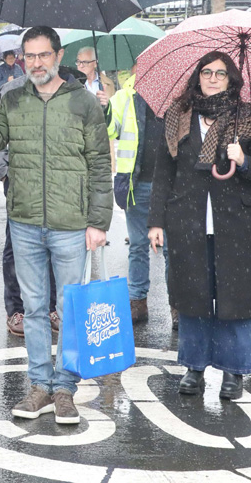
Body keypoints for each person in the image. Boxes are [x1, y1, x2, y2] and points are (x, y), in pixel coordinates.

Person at [0, 26, 112, 425]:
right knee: (33, 309)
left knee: (69, 310)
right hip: (26, 221)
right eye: (29, 56)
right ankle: (39, 386)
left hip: (72, 224)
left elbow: (101, 165)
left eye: (43, 55)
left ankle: (65, 389)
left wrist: (98, 221)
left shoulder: (84, 103)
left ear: (58, 55)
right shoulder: (11, 98)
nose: (36, 63)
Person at [147, 51, 251, 401]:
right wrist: (156, 221)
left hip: (236, 222)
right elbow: (163, 174)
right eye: (207, 72)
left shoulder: (247, 117)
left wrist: (243, 160)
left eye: (221, 73)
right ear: (197, 77)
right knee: (193, 295)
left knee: (236, 297)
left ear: (232, 79)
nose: (213, 78)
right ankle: (194, 368)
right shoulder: (178, 115)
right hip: (187, 219)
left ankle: (234, 373)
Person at [106, 61, 166, 324]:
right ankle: (137, 302)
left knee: (173, 248)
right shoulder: (123, 98)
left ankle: (178, 306)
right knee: (139, 245)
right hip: (137, 184)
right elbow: (108, 130)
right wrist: (103, 109)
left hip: (170, 187)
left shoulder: (175, 96)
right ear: (133, 70)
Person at [75, 47, 115, 111]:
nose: (81, 66)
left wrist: (107, 105)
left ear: (95, 64)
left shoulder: (108, 83)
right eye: (78, 62)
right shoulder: (73, 86)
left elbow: (114, 109)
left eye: (85, 62)